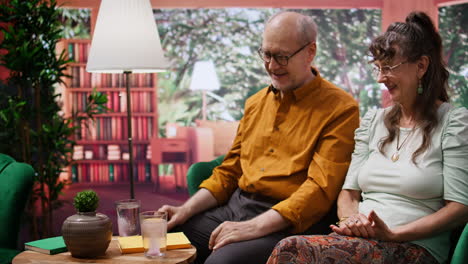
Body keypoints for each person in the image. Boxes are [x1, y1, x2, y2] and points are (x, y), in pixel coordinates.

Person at [267, 11, 468, 264]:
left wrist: (394, 234)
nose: (381, 78)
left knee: (292, 250)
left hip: (415, 248)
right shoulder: (374, 122)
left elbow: (460, 208)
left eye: (389, 68)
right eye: (379, 69)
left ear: (421, 66)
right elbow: (348, 194)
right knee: (292, 248)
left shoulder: (454, 122)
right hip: (360, 243)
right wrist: (352, 221)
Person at [158, 11, 360, 264]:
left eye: (282, 57)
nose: (273, 66)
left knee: (222, 262)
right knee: (160, 243)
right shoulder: (255, 103)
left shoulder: (341, 108)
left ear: (310, 52)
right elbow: (229, 172)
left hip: (286, 221)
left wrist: (251, 228)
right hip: (236, 207)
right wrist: (183, 210)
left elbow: (319, 190)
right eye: (267, 54)